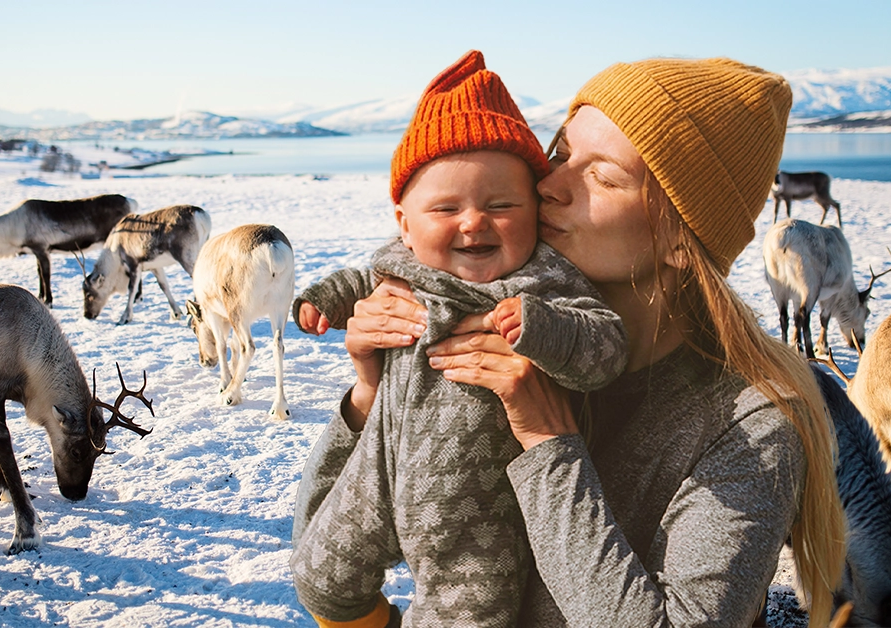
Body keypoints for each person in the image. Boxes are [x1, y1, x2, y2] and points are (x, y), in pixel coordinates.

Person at [293, 56, 846, 627]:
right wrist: (370, 395)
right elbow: (322, 569)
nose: (549, 185)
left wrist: (548, 443)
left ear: (683, 239)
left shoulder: (750, 426)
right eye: (559, 154)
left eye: (602, 176)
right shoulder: (481, 320)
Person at [289, 50, 628, 628]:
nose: (474, 222)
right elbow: (355, 281)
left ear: (536, 211)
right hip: (376, 471)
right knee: (320, 580)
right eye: (446, 207)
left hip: (475, 510)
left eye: (501, 206)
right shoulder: (399, 265)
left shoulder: (543, 279)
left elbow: (606, 348)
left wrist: (544, 328)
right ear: (404, 222)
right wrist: (319, 302)